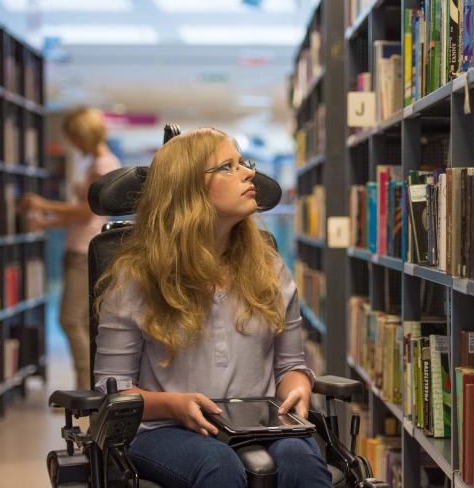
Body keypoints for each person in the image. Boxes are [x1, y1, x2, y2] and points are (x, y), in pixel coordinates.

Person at [92, 128, 331, 488]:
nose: (249, 173)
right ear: (187, 189)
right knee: (217, 464)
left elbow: (290, 366)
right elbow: (112, 389)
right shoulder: (136, 277)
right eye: (227, 167)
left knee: (302, 463)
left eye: (243, 163)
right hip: (163, 429)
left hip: (259, 423)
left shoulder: (268, 267)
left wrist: (298, 386)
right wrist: (173, 405)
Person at [21, 106, 121, 390]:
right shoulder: (93, 163)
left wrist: (44, 204)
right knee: (80, 319)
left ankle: (86, 383)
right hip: (77, 245)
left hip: (84, 249)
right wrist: (48, 223)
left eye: (75, 137)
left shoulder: (102, 165)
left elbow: (86, 212)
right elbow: (81, 214)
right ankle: (89, 382)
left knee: (69, 318)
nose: (73, 143)